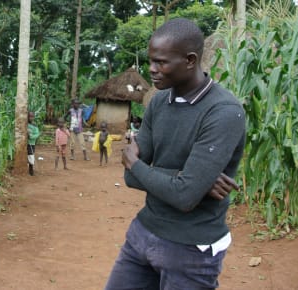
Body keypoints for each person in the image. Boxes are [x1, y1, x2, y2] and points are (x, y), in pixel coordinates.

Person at [105, 18, 246, 290]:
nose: (152, 70)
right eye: (151, 61)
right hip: (143, 233)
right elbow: (130, 176)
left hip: (191, 250)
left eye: (161, 62)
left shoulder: (224, 112)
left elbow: (184, 196)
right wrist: (192, 181)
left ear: (190, 60)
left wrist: (187, 184)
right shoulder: (158, 101)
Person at [27, 111, 40, 176]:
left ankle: (31, 170)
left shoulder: (35, 125)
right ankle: (28, 170)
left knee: (31, 156)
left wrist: (31, 136)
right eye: (29, 116)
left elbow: (37, 134)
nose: (30, 118)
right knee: (27, 156)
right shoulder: (25, 124)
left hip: (31, 144)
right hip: (25, 144)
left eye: (32, 116)